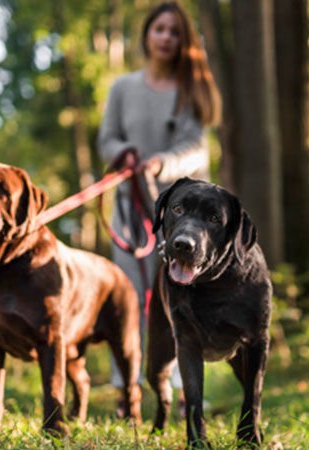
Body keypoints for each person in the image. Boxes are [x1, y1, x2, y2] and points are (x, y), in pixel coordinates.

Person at [97, 1, 222, 415]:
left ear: (183, 40)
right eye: (159, 29)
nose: (166, 37)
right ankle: (128, 391)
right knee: (129, 298)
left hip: (180, 216)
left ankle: (184, 392)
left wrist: (162, 163)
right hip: (129, 211)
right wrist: (126, 154)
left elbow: (196, 148)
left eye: (174, 31)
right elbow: (107, 140)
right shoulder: (122, 88)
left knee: (178, 298)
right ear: (147, 35)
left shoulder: (191, 92)